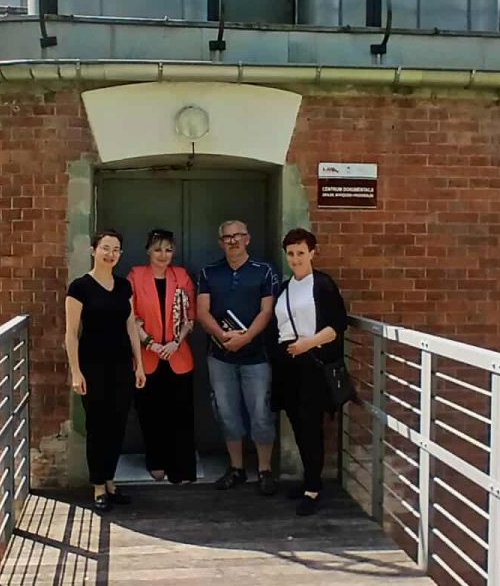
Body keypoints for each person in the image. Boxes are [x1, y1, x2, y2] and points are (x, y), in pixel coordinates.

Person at [65, 228, 146, 513]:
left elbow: (131, 327)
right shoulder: (79, 287)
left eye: (116, 250)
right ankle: (98, 484)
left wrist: (139, 364)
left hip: (122, 365)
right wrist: (76, 372)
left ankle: (110, 479)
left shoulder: (124, 287)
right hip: (93, 366)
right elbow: (71, 333)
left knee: (117, 424)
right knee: (97, 426)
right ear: (93, 250)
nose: (111, 254)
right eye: (105, 248)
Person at [195, 219, 280, 494]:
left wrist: (246, 337)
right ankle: (236, 468)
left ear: (248, 238)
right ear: (220, 242)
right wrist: (223, 337)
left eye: (238, 235)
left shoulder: (264, 271)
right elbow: (202, 312)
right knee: (227, 413)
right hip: (220, 357)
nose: (233, 241)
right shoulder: (209, 272)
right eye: (227, 237)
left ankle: (265, 470)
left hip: (257, 356)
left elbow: (267, 311)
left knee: (261, 413)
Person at [272, 227, 349, 516]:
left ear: (312, 253)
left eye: (301, 253)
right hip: (288, 364)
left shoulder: (323, 284)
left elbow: (336, 326)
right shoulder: (284, 287)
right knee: (297, 424)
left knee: (311, 426)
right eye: (291, 254)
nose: (295, 259)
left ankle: (314, 488)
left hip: (312, 363)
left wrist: (308, 343)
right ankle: (308, 479)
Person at [129, 229, 198, 483]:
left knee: (180, 414)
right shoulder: (136, 276)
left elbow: (190, 316)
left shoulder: (181, 276)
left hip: (178, 356)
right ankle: (156, 460)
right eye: (158, 249)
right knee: (151, 414)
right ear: (148, 250)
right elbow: (131, 316)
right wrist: (151, 343)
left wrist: (175, 343)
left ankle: (181, 466)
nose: (163, 254)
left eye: (168, 249)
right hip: (147, 357)